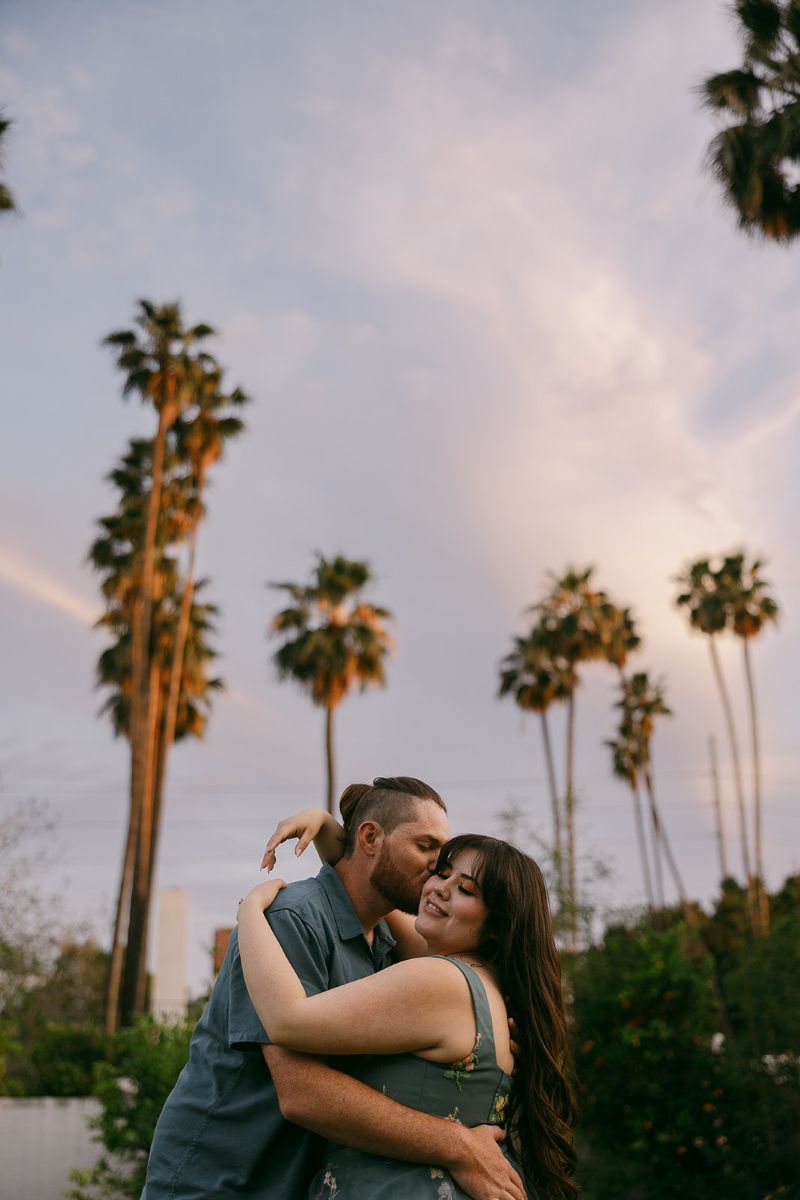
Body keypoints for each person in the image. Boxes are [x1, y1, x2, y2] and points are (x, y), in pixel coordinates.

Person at [142, 777, 526, 1200]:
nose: (437, 869)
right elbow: (302, 1092)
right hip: (220, 1180)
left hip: (287, 1181)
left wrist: (328, 825)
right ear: (370, 836)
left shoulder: (386, 940)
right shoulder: (293, 919)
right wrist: (458, 1146)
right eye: (425, 848)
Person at [238, 817, 578, 1200]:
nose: (439, 889)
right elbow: (375, 887)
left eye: (465, 889)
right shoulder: (487, 984)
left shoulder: (442, 981)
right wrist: (332, 831)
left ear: (498, 925)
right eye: (442, 874)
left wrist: (250, 912)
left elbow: (286, 1021)